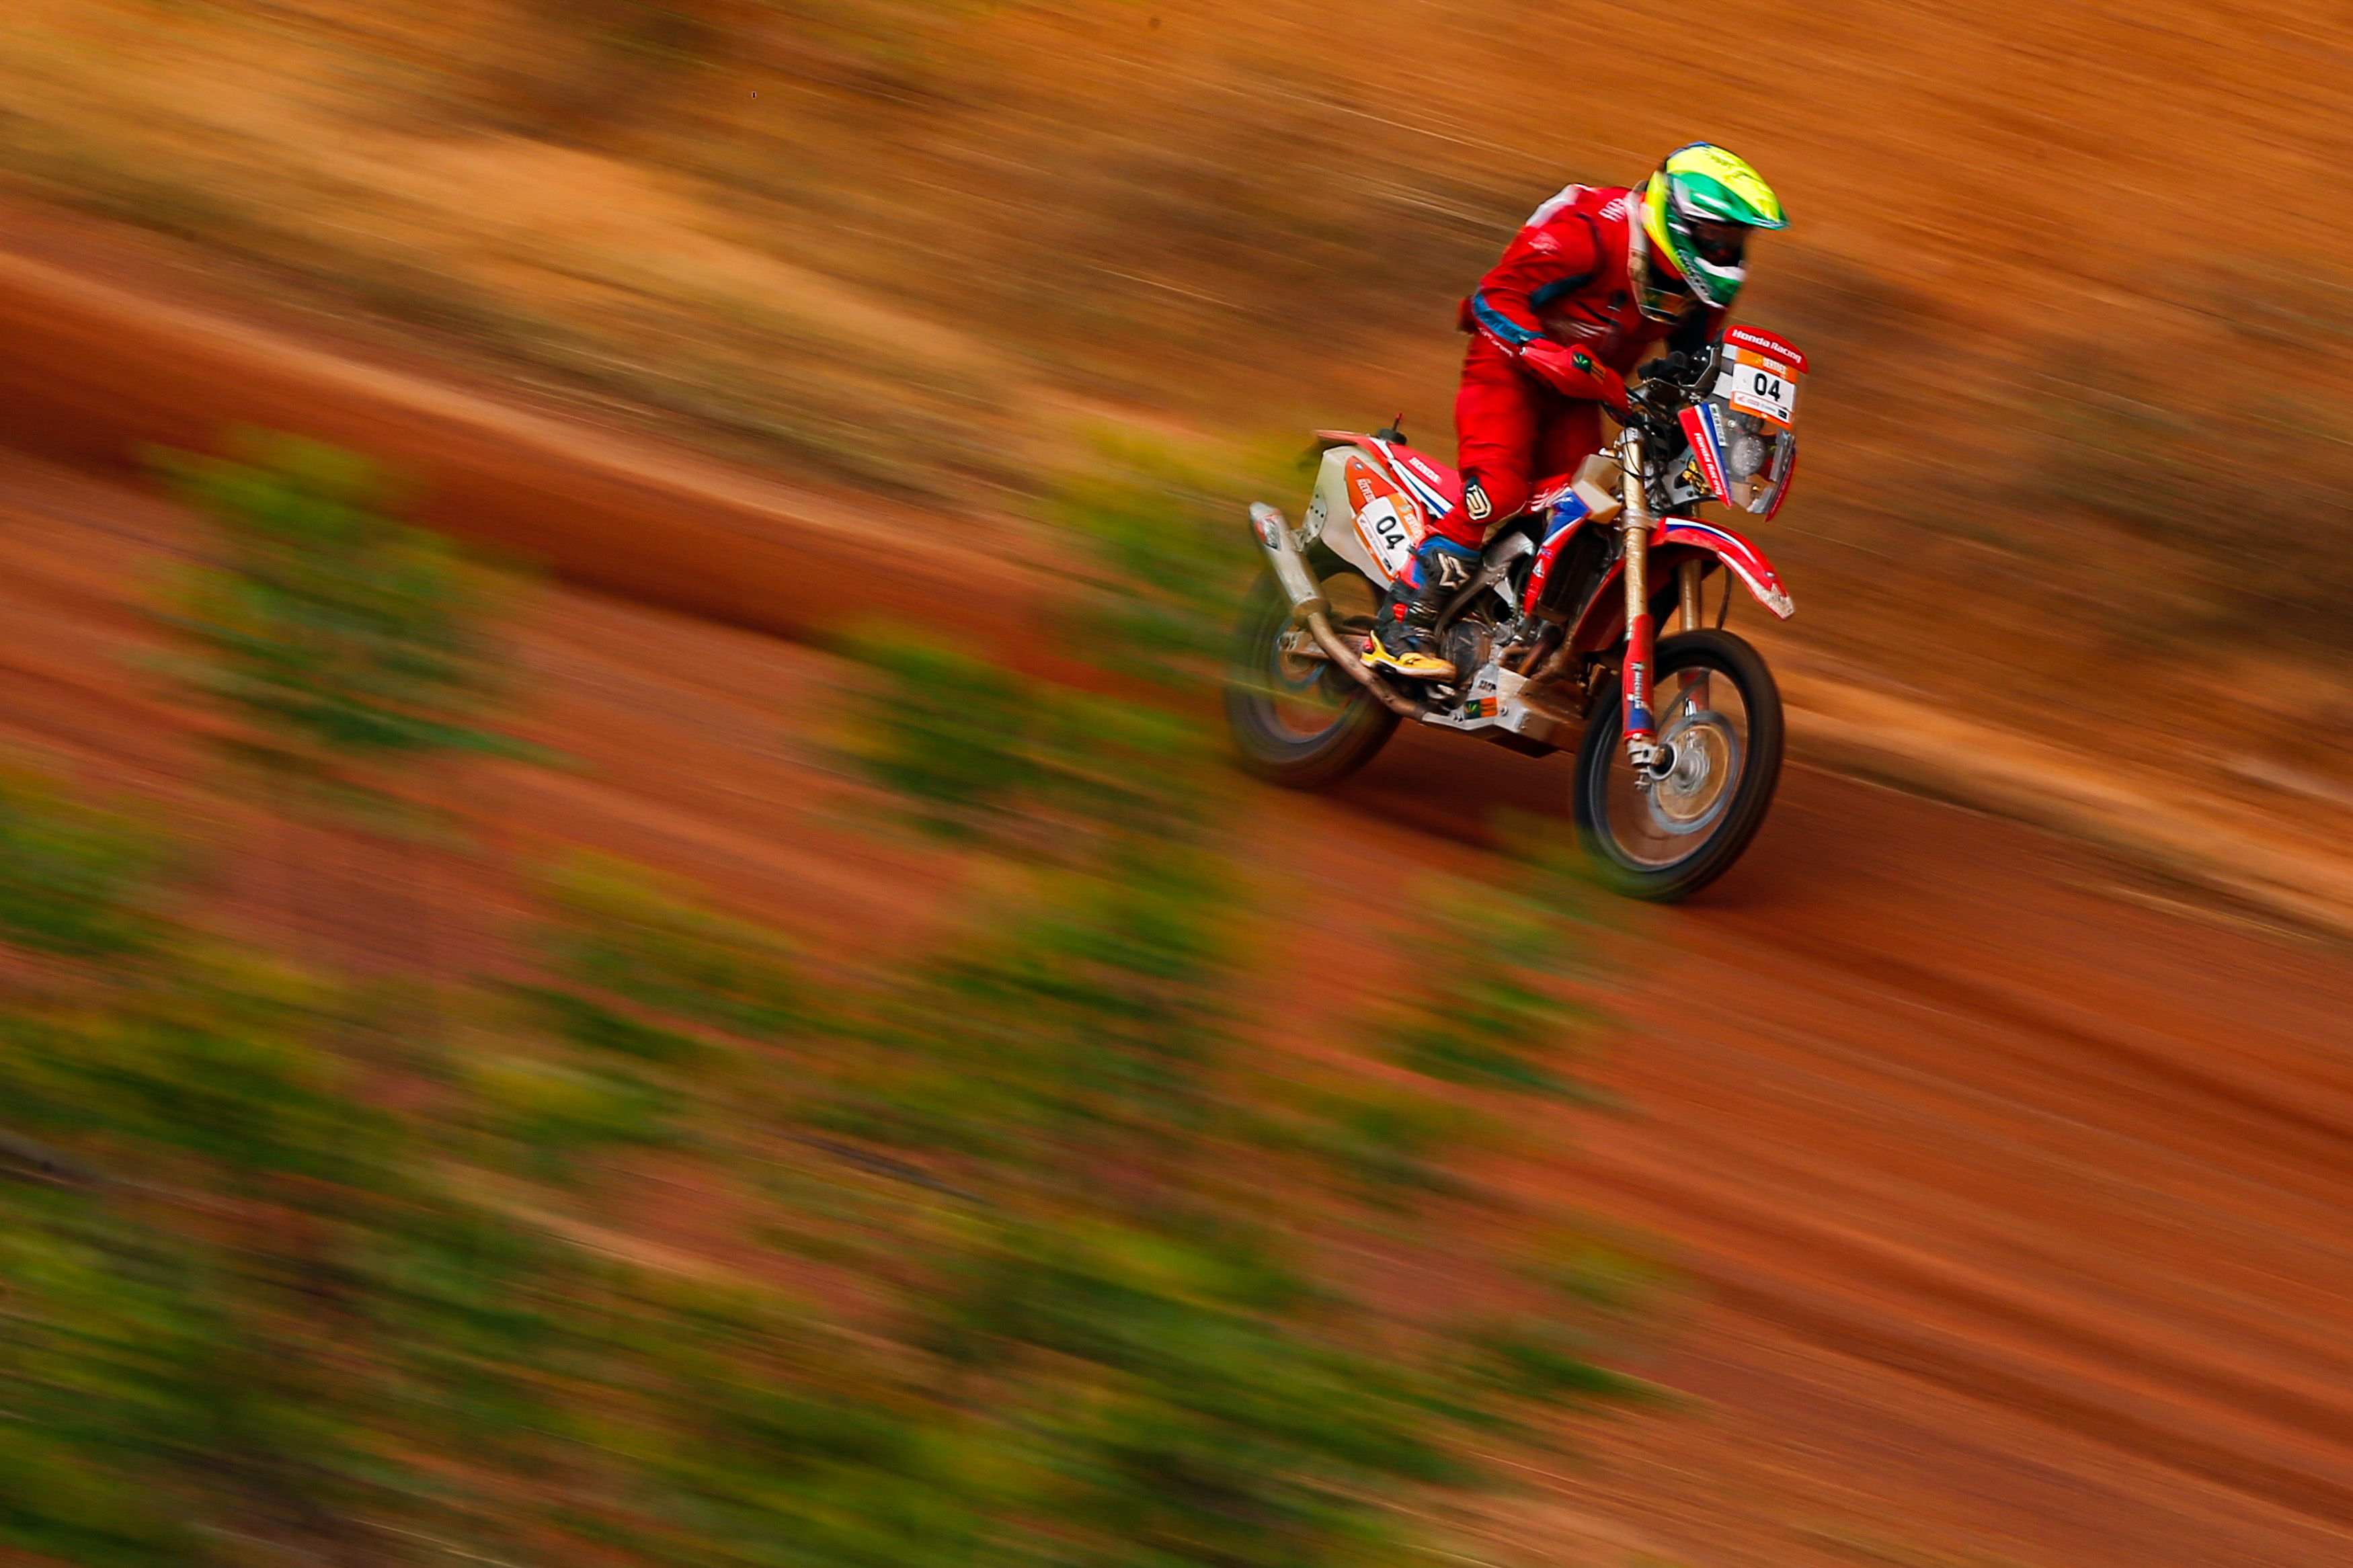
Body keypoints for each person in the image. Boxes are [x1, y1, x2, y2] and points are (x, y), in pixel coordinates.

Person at [1363, 143, 1787, 680]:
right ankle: (1399, 628)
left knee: (1591, 514)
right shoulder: (1594, 231)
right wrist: (1535, 347)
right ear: (1677, 218)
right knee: (1499, 490)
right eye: (1717, 234)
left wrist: (1731, 419)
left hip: (1583, 392)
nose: (1726, 250)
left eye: (1736, 239)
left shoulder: (1705, 290)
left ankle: (1527, 639)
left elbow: (1695, 365)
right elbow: (1494, 295)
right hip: (1507, 369)